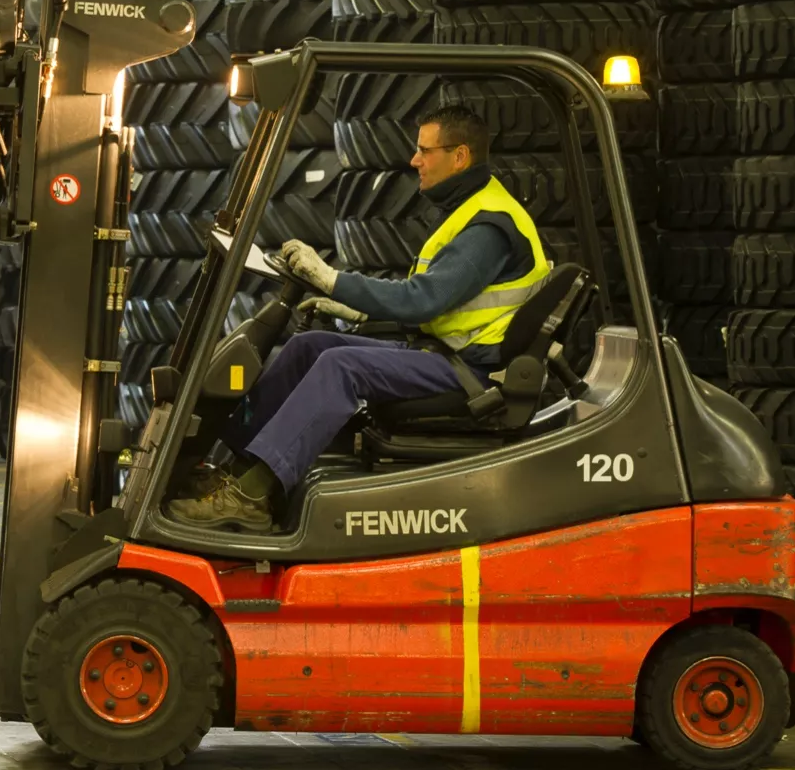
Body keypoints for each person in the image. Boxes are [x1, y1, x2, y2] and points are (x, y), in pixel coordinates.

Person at [167, 104, 551, 532]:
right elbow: (441, 304)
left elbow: (423, 301)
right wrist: (356, 307)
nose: (414, 160)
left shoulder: (488, 226)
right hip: (445, 352)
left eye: (425, 150)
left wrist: (332, 280)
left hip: (471, 372)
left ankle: (253, 496)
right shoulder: (470, 210)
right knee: (309, 346)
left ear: (459, 156)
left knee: (341, 366)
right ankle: (238, 468)